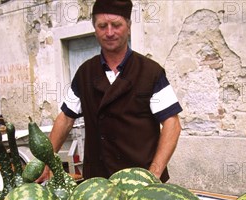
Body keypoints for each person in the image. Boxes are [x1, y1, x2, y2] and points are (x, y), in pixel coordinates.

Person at [39, 0, 182, 183]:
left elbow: (172, 124)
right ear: (94, 29)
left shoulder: (150, 72)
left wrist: (153, 174)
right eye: (102, 26)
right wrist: (46, 161)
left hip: (141, 181)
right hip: (98, 182)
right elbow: (66, 118)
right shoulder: (85, 73)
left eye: (116, 25)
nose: (109, 32)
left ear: (128, 27)